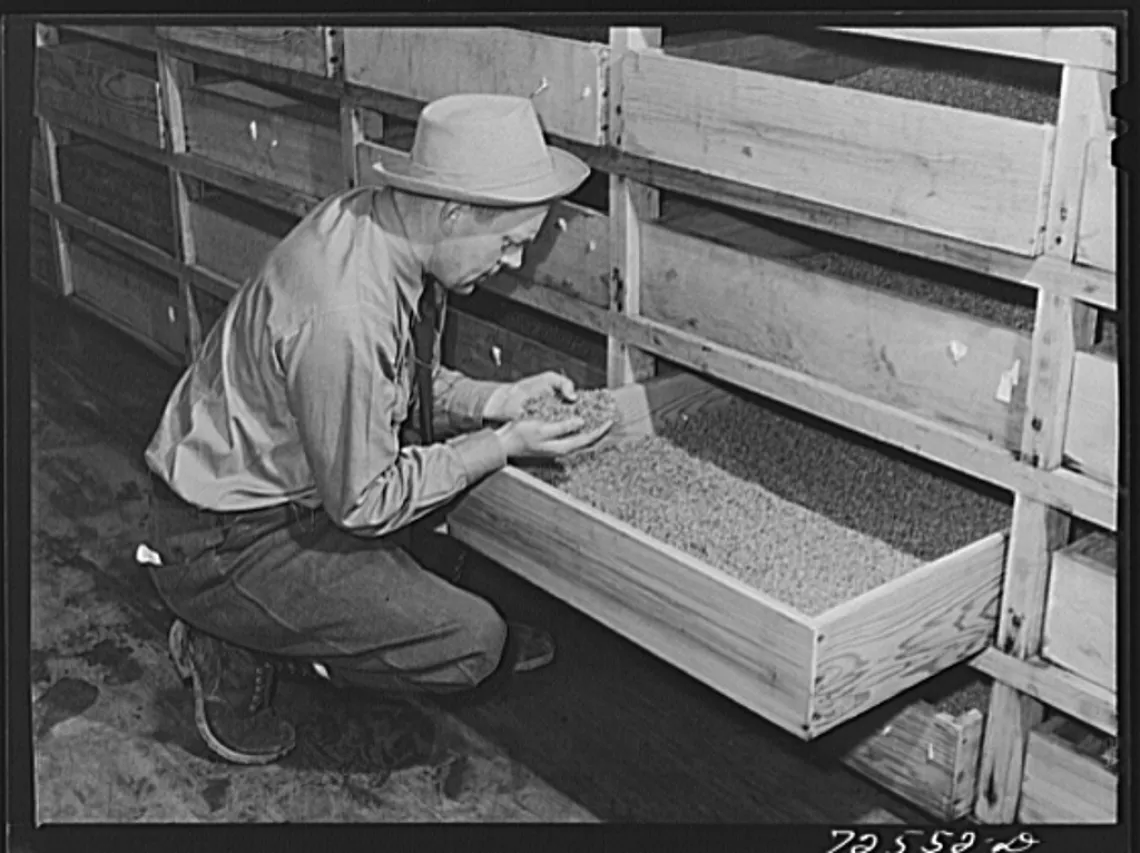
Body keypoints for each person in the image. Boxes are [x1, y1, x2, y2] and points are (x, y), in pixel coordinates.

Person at [139, 93, 612, 766]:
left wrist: (497, 400)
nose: (512, 263)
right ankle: (231, 634)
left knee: (443, 551)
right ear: (451, 212)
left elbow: (398, 385)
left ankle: (309, 614)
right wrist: (498, 445)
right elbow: (365, 501)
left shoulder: (374, 225)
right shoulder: (346, 311)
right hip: (221, 539)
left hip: (278, 493)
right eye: (509, 243)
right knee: (474, 642)